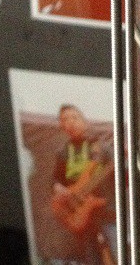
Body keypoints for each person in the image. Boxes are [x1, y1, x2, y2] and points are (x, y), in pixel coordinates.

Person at [51, 104, 116, 265]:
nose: (70, 122)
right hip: (80, 213)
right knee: (90, 257)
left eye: (74, 117)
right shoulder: (63, 152)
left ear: (84, 121)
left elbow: (119, 171)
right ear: (62, 126)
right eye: (65, 119)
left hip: (106, 211)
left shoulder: (101, 146)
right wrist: (59, 189)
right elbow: (55, 180)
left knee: (116, 252)